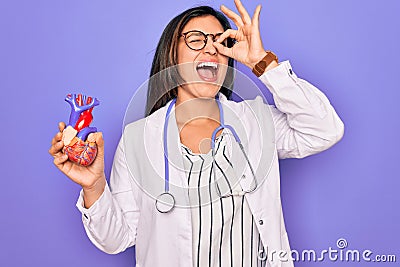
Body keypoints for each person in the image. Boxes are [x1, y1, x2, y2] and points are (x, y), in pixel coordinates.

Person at [49, 0, 344, 266]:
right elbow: (117, 238)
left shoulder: (256, 121)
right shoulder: (139, 138)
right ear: (171, 54)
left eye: (219, 41)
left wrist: (262, 63)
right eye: (196, 39)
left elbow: (325, 129)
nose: (210, 48)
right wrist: (94, 186)